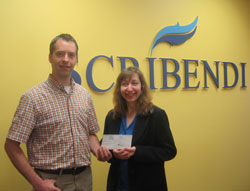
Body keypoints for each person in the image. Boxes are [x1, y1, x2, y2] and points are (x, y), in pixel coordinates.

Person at [5, 33, 112, 191]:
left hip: (85, 179)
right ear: (50, 57)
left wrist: (98, 150)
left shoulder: (84, 95)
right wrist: (37, 182)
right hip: (51, 182)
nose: (66, 59)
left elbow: (89, 133)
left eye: (71, 55)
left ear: (76, 59)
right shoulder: (32, 97)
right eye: (60, 54)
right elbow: (11, 145)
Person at [102, 66, 177, 191]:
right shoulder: (112, 116)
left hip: (147, 184)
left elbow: (169, 151)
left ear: (142, 87)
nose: (129, 88)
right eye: (124, 84)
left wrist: (137, 152)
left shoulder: (156, 115)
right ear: (119, 89)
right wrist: (109, 152)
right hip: (118, 184)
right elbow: (107, 143)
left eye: (134, 83)